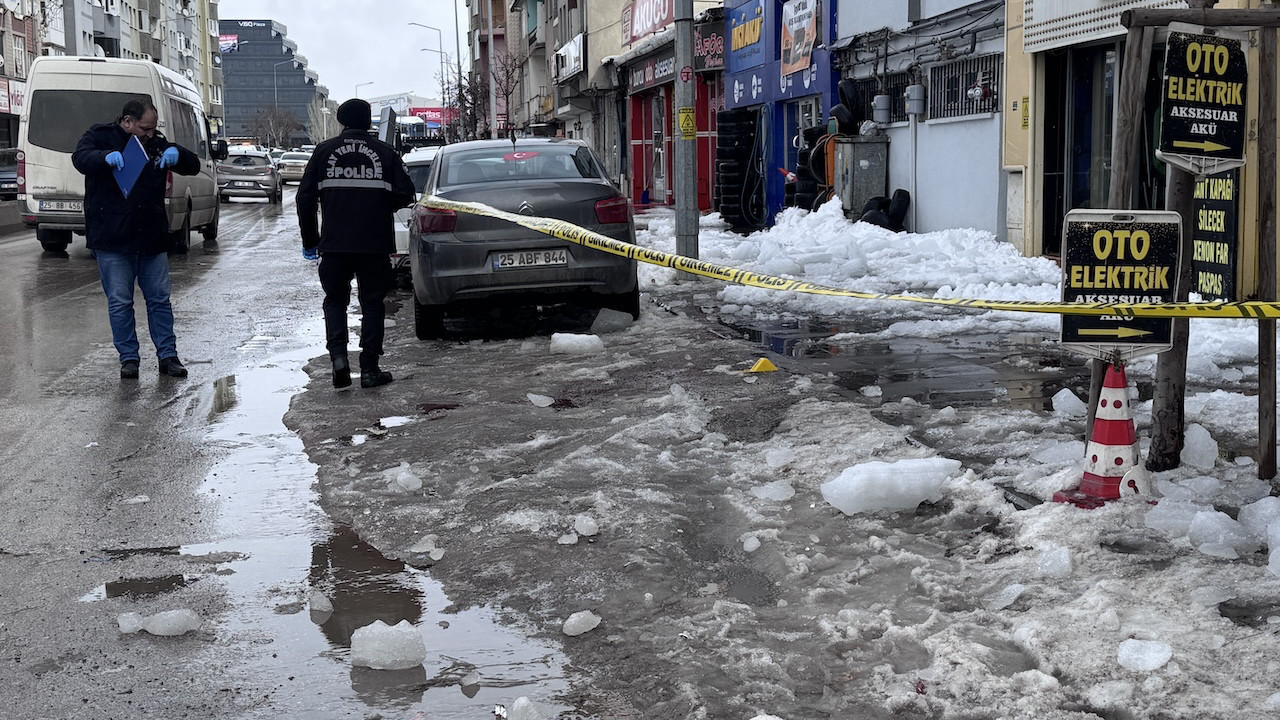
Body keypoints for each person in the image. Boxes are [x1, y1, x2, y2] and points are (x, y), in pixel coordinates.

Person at [72, 98, 201, 380]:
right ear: (128, 122)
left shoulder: (156, 143)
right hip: (113, 238)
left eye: (154, 129)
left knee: (159, 301)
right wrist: (105, 158)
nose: (150, 134)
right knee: (120, 302)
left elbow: (192, 165)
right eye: (145, 128)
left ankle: (168, 356)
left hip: (151, 237)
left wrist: (176, 154)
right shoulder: (100, 135)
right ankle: (129, 358)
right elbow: (80, 158)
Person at [296, 98, 415, 389]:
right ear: (368, 122)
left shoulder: (324, 152)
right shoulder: (385, 153)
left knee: (335, 300)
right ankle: (370, 369)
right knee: (372, 303)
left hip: (335, 244)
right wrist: (379, 202)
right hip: (374, 244)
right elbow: (406, 193)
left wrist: (311, 240)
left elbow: (304, 198)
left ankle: (338, 360)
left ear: (341, 122)